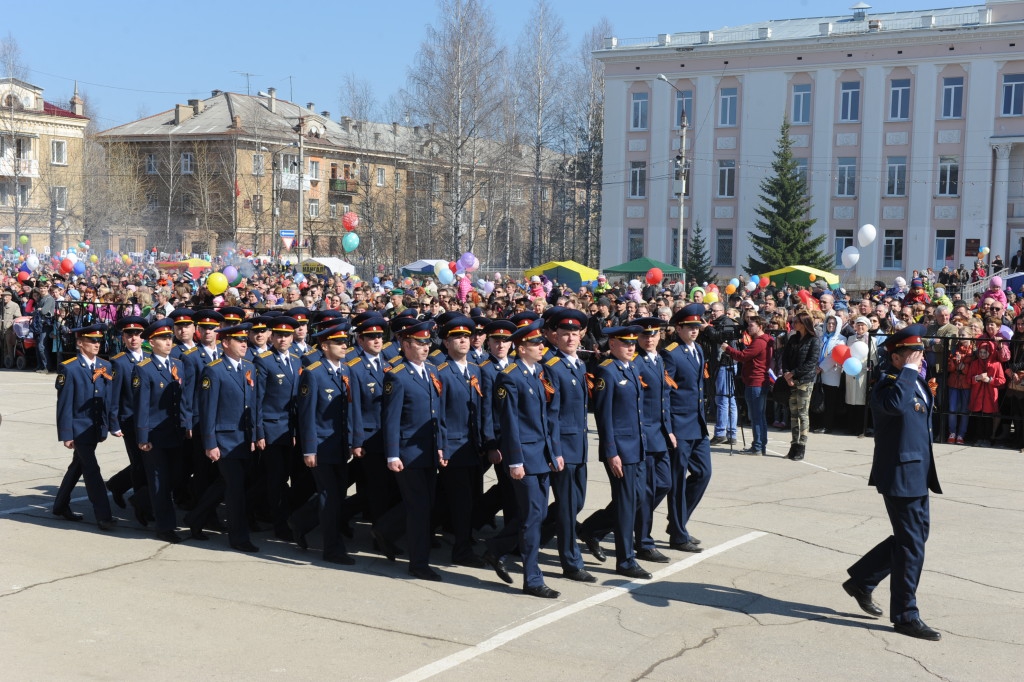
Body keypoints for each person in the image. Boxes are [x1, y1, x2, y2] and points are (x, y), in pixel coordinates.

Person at [844, 325, 943, 641]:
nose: (920, 357)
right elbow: (897, 406)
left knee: (912, 538)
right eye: (913, 354)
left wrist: (912, 372)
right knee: (912, 544)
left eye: (920, 352)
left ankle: (862, 579)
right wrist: (910, 371)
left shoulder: (911, 382)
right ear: (897, 358)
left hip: (917, 471)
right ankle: (905, 615)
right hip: (899, 474)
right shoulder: (887, 387)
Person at [482, 320, 564, 598]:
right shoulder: (510, 376)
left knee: (537, 515)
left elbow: (547, 417)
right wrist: (514, 461)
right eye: (535, 344)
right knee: (531, 518)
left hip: (541, 455)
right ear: (521, 347)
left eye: (541, 342)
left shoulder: (540, 371)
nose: (542, 347)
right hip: (524, 458)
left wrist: (554, 452)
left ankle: (495, 549)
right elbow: (510, 423)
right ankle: (532, 578)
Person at [379, 320, 447, 581]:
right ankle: (419, 563)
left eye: (427, 342)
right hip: (407, 453)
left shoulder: (432, 371)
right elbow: (392, 419)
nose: (425, 347)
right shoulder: (397, 375)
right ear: (405, 345)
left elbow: (436, 414)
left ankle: (385, 530)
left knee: (424, 505)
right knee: (419, 508)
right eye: (419, 343)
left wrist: (440, 445)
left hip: (428, 451)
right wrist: (393, 454)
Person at [186, 323, 262, 553]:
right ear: (225, 343)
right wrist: (210, 443)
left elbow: (253, 405)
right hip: (224, 440)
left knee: (225, 484)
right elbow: (208, 409)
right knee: (235, 489)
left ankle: (195, 518)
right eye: (238, 341)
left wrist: (255, 435)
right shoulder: (215, 370)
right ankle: (238, 537)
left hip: (243, 438)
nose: (243, 344)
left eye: (245, 341)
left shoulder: (248, 367)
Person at [293, 319, 357, 565]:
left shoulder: (345, 370)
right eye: (339, 342)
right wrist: (309, 449)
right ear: (324, 345)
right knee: (330, 497)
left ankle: (299, 522)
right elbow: (307, 415)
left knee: (336, 495)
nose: (344, 346)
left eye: (345, 342)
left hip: (339, 445)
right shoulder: (314, 373)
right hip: (320, 447)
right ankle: (332, 549)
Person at [52, 323, 122, 529]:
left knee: (77, 467)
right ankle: (103, 515)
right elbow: (64, 405)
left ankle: (59, 505)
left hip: (95, 427)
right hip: (78, 428)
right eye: (92, 340)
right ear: (80, 343)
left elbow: (107, 400)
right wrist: (66, 433)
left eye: (98, 341)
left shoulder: (105, 366)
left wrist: (109, 425)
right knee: (92, 469)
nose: (96, 344)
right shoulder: (70, 367)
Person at [132, 319, 189, 544]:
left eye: (169, 338)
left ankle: (141, 500)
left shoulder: (177, 364)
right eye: (163, 339)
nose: (168, 342)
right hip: (154, 434)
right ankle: (165, 527)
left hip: (174, 431)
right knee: (160, 481)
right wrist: (143, 437)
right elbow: (142, 406)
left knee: (175, 477)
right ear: (152, 342)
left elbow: (180, 400)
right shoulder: (144, 369)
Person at [661, 304, 711, 554]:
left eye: (697, 327)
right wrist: (668, 427)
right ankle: (679, 534)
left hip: (698, 425)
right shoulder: (671, 353)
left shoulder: (698, 350)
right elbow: (666, 393)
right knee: (678, 481)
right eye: (689, 327)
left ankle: (677, 523)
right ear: (678, 327)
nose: (694, 331)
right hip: (680, 426)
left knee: (703, 473)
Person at [721, 314, 772, 455]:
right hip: (756, 381)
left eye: (751, 325)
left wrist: (727, 349)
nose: (748, 328)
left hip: (756, 381)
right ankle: (760, 444)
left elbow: (743, 356)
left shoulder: (760, 342)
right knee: (759, 415)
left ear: (760, 327)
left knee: (756, 416)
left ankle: (758, 446)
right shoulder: (764, 340)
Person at [780, 311, 821, 461]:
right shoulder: (792, 339)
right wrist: (786, 374)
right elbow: (785, 358)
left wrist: (794, 374)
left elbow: (811, 363)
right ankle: (793, 445)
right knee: (793, 414)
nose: (794, 324)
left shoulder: (814, 340)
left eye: (796, 321)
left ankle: (801, 446)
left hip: (805, 380)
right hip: (790, 380)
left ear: (804, 323)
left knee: (802, 413)